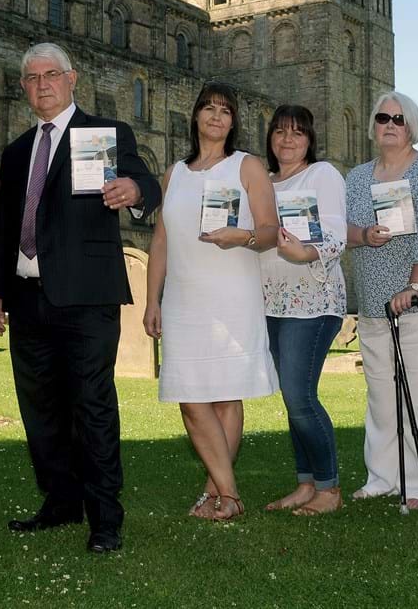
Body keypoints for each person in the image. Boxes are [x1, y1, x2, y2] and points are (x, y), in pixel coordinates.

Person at [0, 43, 161, 554]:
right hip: (27, 298)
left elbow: (146, 180)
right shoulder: (17, 152)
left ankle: (106, 518)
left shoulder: (104, 135)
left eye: (51, 75)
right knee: (41, 409)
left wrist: (133, 188)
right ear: (23, 87)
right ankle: (60, 502)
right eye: (32, 77)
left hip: (85, 298)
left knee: (92, 406)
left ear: (72, 79)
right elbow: (4, 226)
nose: (42, 84)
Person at [143, 81, 279, 522]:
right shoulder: (175, 173)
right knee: (189, 396)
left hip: (231, 295)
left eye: (226, 110)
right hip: (184, 299)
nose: (217, 116)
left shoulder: (247, 166)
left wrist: (242, 236)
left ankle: (219, 494)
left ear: (233, 122)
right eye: (209, 108)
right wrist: (152, 301)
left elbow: (270, 232)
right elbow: (161, 241)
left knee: (224, 397)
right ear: (196, 116)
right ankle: (229, 492)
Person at [344, 91, 418, 509]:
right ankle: (382, 477)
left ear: (412, 126)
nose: (390, 125)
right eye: (382, 118)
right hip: (374, 302)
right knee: (379, 393)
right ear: (373, 125)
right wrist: (364, 235)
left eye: (399, 118)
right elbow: (346, 229)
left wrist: (413, 289)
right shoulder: (356, 176)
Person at [258, 105, 348, 516]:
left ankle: (329, 489)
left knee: (300, 396)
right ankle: (305, 483)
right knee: (291, 397)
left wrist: (305, 251)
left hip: (312, 299)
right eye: (279, 132)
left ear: (310, 139)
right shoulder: (262, 181)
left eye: (296, 133)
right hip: (271, 300)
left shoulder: (322, 174)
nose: (287, 140)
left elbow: (335, 230)